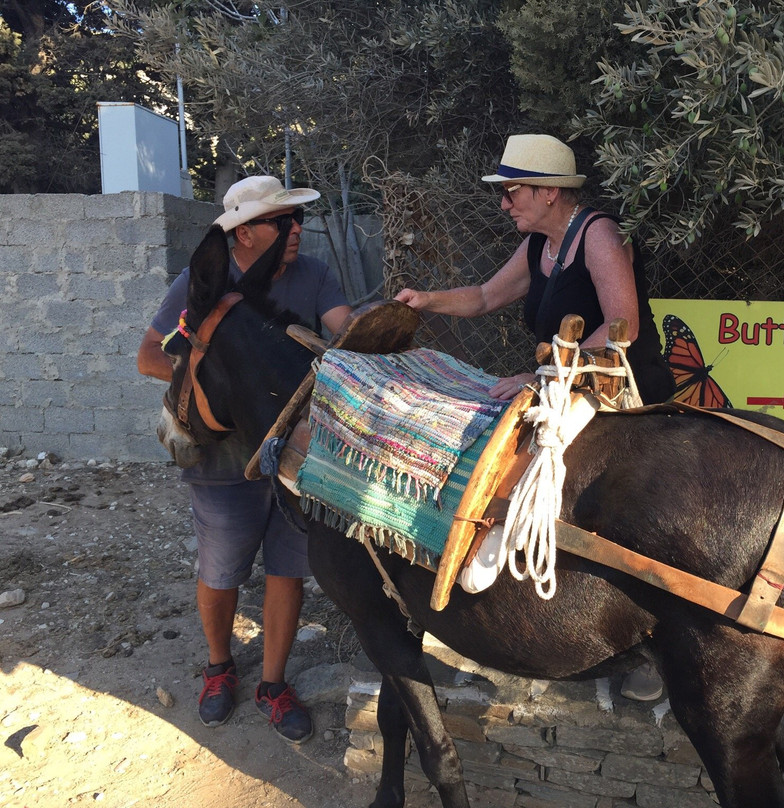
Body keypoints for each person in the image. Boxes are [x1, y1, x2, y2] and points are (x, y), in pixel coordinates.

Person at [395, 134, 671, 700]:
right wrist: (426, 300)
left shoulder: (598, 235)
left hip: (625, 390)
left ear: (549, 192)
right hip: (568, 382)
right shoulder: (539, 246)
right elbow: (482, 297)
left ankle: (655, 645)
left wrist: (546, 376)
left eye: (512, 190)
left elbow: (624, 325)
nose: (504, 203)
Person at [137, 175, 353, 742]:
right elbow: (148, 357)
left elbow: (345, 331)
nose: (295, 231)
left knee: (288, 571)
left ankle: (274, 684)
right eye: (282, 222)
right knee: (221, 571)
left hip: (295, 455)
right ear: (245, 233)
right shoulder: (201, 283)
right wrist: (223, 385)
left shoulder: (315, 275)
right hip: (222, 459)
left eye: (298, 220)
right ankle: (219, 667)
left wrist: (373, 332)